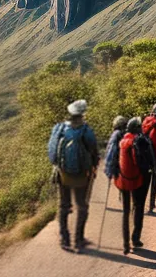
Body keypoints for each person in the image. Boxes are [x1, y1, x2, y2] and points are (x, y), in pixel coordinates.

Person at [47, 99, 99, 252]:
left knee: (64, 206)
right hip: (81, 174)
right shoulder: (86, 130)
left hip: (62, 173)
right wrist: (94, 166)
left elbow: (52, 151)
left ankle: (64, 239)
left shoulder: (59, 128)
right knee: (82, 206)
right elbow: (93, 150)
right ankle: (78, 240)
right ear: (82, 114)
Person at [115, 117, 154, 254]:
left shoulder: (123, 141)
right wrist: (149, 170)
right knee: (139, 206)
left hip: (125, 179)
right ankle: (135, 238)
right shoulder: (138, 140)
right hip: (138, 179)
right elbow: (140, 162)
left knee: (128, 209)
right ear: (137, 128)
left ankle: (127, 241)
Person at [103, 115, 128, 182]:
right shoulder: (120, 134)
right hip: (120, 166)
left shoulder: (115, 134)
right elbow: (112, 151)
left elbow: (110, 152)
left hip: (117, 165)